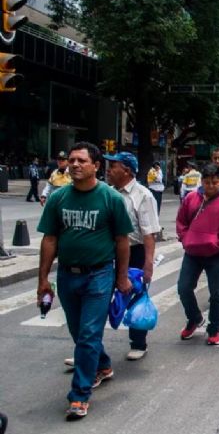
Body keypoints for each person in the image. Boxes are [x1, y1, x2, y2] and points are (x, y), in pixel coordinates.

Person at [36, 142, 134, 420]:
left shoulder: (111, 199)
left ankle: (79, 395)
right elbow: (50, 239)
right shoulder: (58, 198)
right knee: (79, 333)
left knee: (89, 334)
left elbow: (122, 240)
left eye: (81, 160)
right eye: (71, 160)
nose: (75, 165)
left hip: (99, 275)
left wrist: (122, 277)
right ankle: (102, 365)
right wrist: (43, 279)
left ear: (96, 165)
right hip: (67, 275)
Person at [104, 152, 161, 361]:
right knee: (99, 298)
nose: (108, 170)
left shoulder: (143, 195)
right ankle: (89, 347)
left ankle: (138, 342)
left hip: (134, 251)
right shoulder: (107, 193)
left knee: (135, 296)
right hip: (108, 253)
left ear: (127, 170)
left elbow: (149, 233)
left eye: (114, 166)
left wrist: (148, 264)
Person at [176, 164, 219, 346]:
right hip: (192, 251)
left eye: (214, 182)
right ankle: (194, 318)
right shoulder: (191, 198)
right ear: (201, 181)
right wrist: (186, 238)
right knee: (183, 288)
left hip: (216, 254)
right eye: (207, 182)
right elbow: (181, 221)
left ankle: (214, 328)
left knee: (217, 293)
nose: (210, 186)